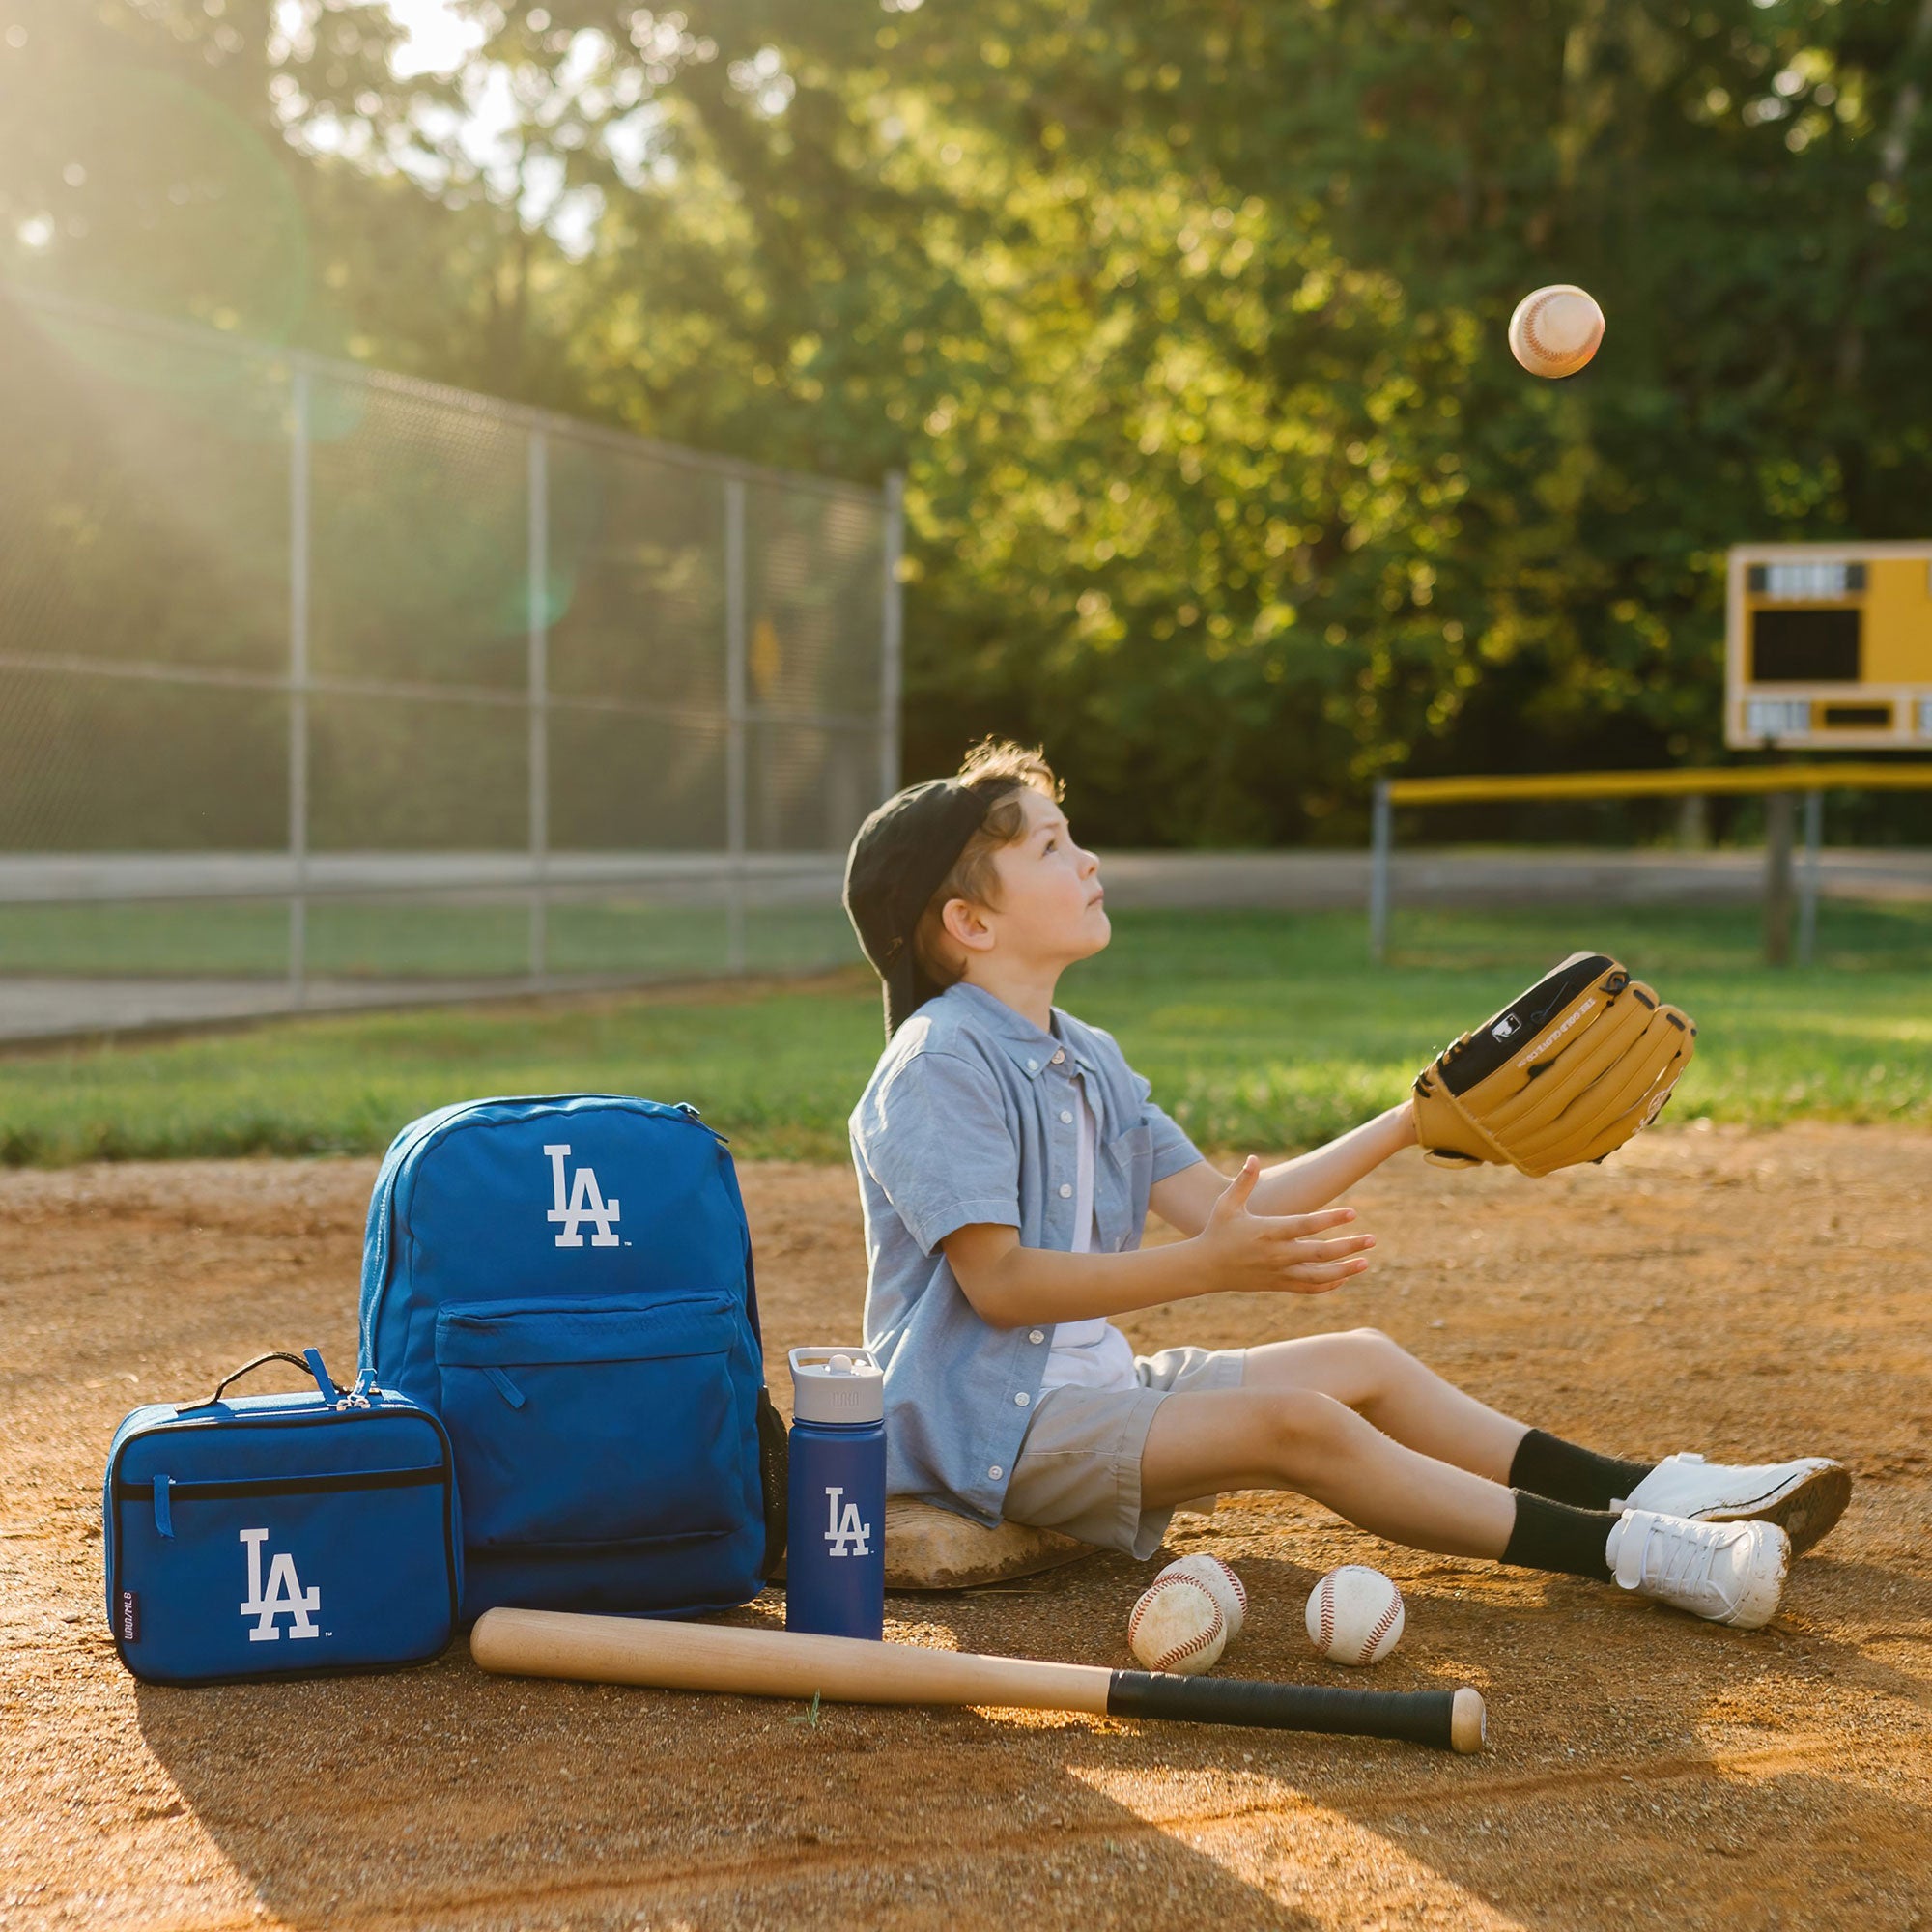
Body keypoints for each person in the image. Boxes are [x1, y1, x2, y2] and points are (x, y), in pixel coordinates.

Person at [841, 739, 1850, 1629]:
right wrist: (1203, 1269)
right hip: (987, 1431)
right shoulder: (938, 1060)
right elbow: (1003, 1285)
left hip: (1083, 1393)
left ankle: (1655, 1491)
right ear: (969, 921)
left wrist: (1414, 1121)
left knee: (1361, 1360)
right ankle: (1635, 1553)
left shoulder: (1086, 1054)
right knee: (1305, 1424)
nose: (1088, 857)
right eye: (1050, 848)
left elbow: (1225, 1205)